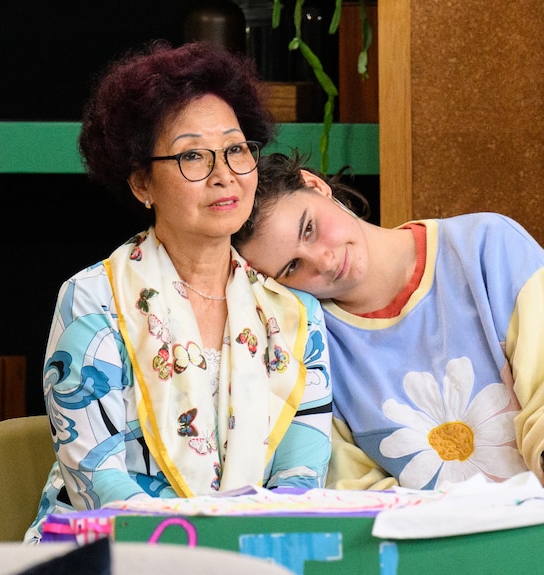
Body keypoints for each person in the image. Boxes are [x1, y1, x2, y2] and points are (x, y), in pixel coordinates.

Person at [25, 43, 332, 543]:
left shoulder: (296, 316)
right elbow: (98, 479)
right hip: (113, 552)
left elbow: (301, 479)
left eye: (236, 149)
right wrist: (191, 552)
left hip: (253, 552)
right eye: (193, 155)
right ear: (142, 182)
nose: (223, 174)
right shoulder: (93, 302)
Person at [232, 151, 544, 490]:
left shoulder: (489, 250)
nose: (322, 260)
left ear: (316, 185)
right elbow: (360, 498)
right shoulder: (312, 350)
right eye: (291, 268)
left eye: (310, 228)